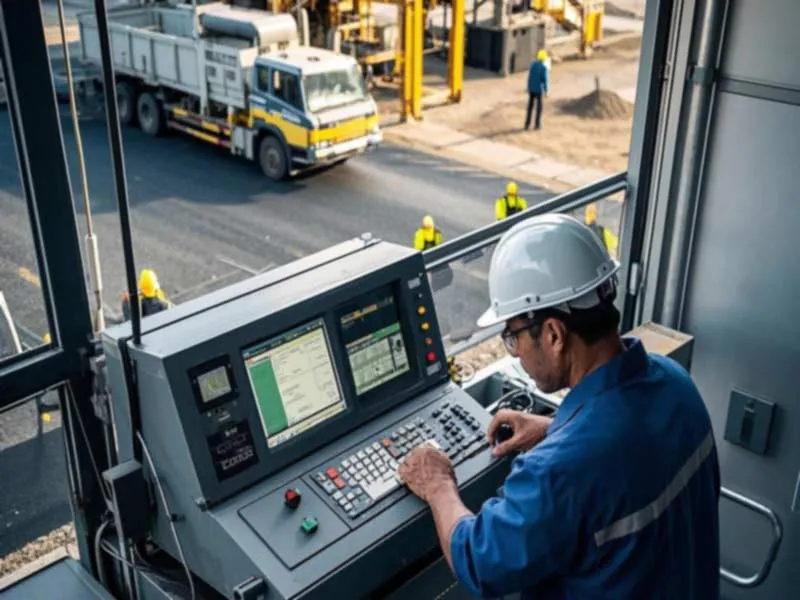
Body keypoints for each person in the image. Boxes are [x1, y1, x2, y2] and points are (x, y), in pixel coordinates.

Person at [398, 214, 720, 599]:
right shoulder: (676, 383)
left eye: (513, 337)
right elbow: (629, 449)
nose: (515, 354)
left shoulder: (557, 472)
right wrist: (556, 428)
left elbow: (477, 561)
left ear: (553, 334)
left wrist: (438, 486)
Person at [525, 49, 549, 130]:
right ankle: (537, 124)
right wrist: (546, 91)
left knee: (530, 107)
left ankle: (527, 124)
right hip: (538, 90)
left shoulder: (532, 65)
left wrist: (528, 87)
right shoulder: (543, 67)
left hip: (531, 89)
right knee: (539, 108)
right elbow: (545, 80)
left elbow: (529, 77)